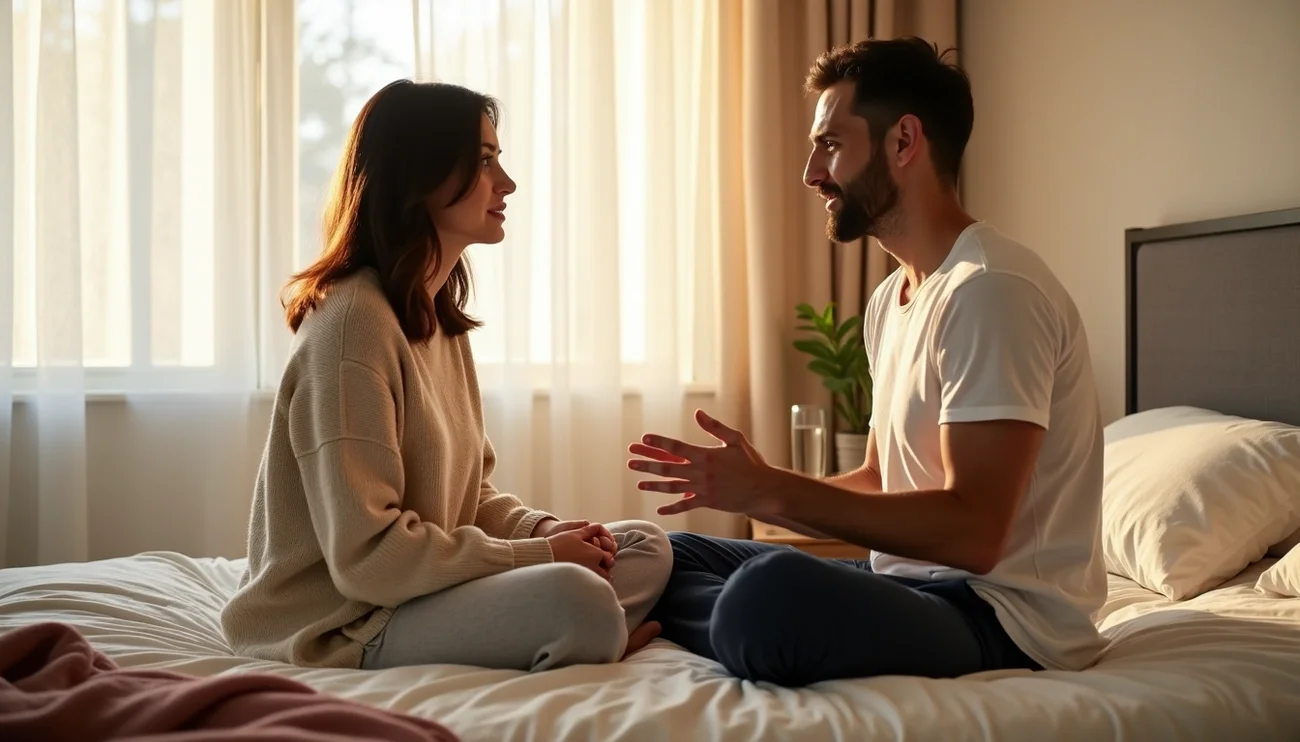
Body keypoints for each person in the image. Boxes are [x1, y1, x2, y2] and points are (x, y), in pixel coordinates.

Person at [631, 38, 1109, 687]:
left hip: (1001, 617)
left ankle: (739, 626)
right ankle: (738, 627)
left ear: (903, 141)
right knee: (661, 554)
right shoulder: (894, 297)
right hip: (909, 584)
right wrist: (761, 483)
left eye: (830, 144)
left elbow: (975, 534)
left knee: (765, 596)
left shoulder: (993, 290)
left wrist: (771, 490)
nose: (810, 172)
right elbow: (882, 479)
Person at [220, 80, 671, 673]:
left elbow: (469, 500)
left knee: (644, 545)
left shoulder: (435, 319)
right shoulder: (353, 327)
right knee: (578, 597)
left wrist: (550, 531)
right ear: (420, 176)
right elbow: (367, 560)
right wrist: (535, 557)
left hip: (420, 589)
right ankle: (590, 632)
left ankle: (584, 633)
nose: (506, 183)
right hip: (351, 620)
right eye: (485, 161)